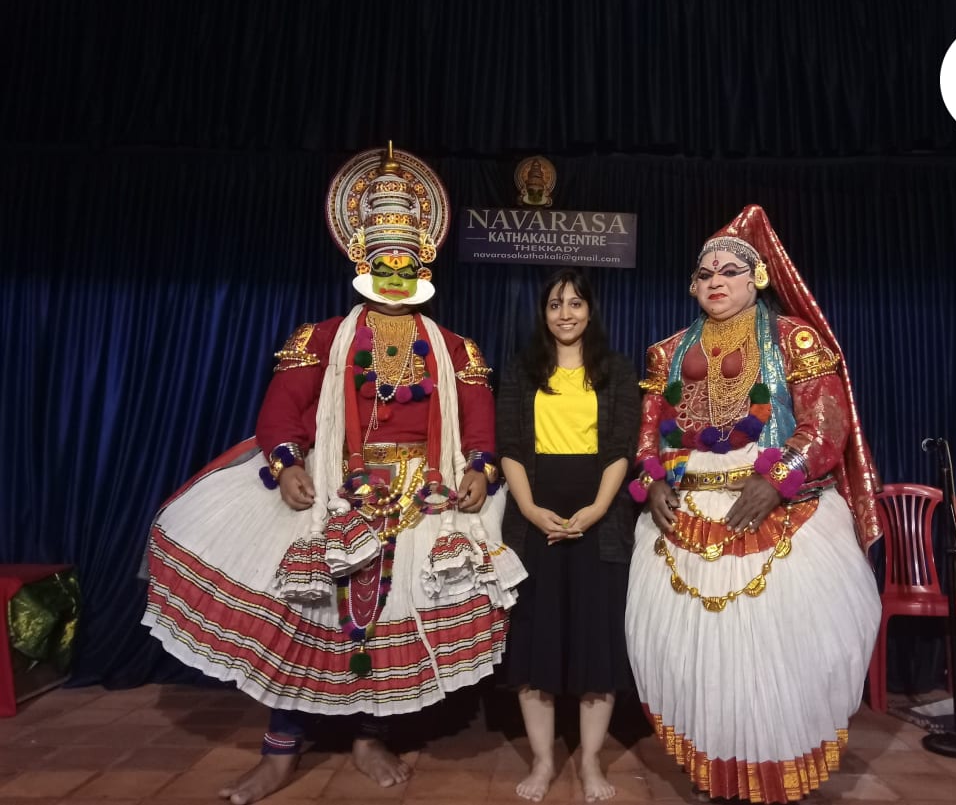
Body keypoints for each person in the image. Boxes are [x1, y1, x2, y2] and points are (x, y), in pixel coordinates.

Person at [143, 145, 524, 805]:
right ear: (363, 262)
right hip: (334, 492)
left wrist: (481, 473)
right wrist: (286, 465)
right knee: (308, 615)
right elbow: (279, 417)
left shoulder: (456, 349)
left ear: (424, 263)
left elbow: (482, 432)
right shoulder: (321, 338)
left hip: (423, 499)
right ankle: (280, 748)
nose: (398, 273)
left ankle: (368, 734)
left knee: (383, 619)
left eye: (408, 262)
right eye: (386, 262)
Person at [624, 205, 882, 803]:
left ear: (757, 278)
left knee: (781, 659)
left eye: (730, 270)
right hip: (684, 520)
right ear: (691, 285)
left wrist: (778, 480)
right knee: (697, 661)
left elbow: (826, 426)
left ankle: (775, 780)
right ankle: (718, 777)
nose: (716, 279)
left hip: (781, 515)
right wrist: (653, 478)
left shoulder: (795, 338)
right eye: (704, 272)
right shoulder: (666, 351)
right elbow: (649, 433)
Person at [495, 269, 641, 802]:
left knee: (595, 643)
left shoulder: (617, 371)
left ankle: (591, 766)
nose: (565, 313)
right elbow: (509, 444)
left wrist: (598, 508)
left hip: (599, 518)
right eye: (556, 304)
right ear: (543, 312)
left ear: (590, 311)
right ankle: (542, 760)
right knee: (537, 641)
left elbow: (621, 447)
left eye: (576, 304)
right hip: (535, 515)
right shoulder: (520, 369)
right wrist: (531, 510)